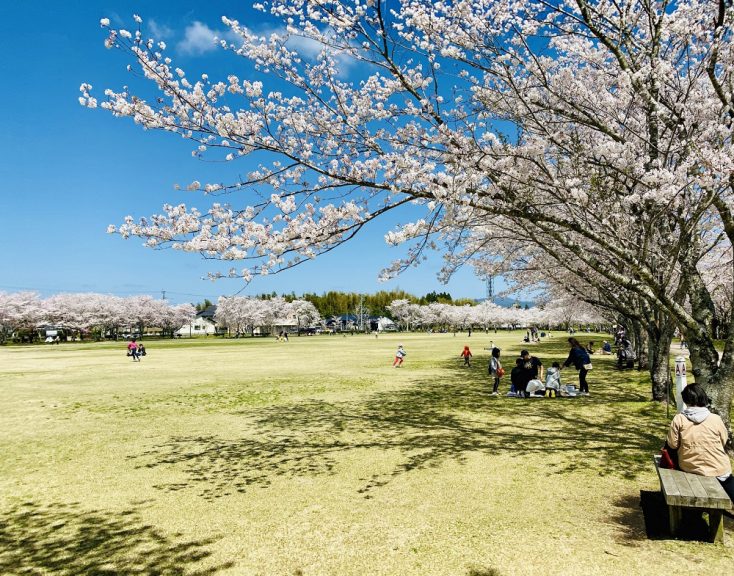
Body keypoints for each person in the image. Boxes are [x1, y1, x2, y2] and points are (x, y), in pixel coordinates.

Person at [666, 384, 733, 504]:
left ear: (686, 400)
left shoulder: (679, 419)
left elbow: (672, 444)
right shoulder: (715, 419)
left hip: (690, 467)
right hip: (719, 469)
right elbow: (723, 440)